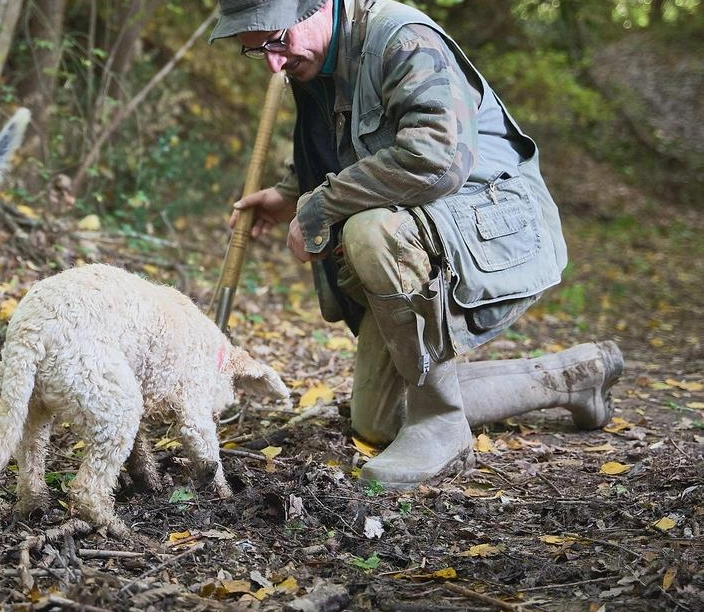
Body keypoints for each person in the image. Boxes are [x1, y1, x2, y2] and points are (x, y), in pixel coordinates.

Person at [210, 0, 624, 489]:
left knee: (371, 230)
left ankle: (441, 423)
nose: (274, 63)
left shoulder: (400, 37)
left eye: (276, 40)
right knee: (379, 420)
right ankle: (576, 375)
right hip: (432, 225)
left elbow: (436, 158)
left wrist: (319, 206)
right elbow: (347, 144)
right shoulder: (314, 59)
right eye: (257, 52)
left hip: (493, 225)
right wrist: (289, 192)